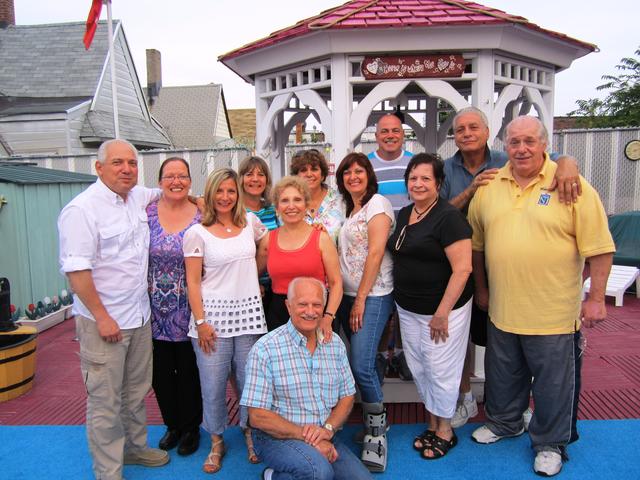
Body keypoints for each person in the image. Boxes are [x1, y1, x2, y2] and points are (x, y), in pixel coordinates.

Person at [468, 116, 615, 477]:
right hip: (503, 308)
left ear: (545, 144)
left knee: (553, 384)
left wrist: (596, 298)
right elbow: (478, 245)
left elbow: (600, 248)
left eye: (529, 141)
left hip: (553, 311)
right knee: (503, 375)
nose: (521, 148)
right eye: (514, 141)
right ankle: (506, 423)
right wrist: (483, 289)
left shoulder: (571, 184)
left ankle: (550, 443)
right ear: (505, 144)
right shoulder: (489, 187)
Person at [440, 107, 583, 429]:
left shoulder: (509, 157)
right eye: (460, 129)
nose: (466, 133)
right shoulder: (446, 169)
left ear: (488, 131)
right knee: (465, 339)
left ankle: (517, 408)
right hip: (457, 264)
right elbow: (436, 212)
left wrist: (568, 163)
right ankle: (468, 398)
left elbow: (552, 156)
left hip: (503, 268)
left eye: (473, 127)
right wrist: (472, 190)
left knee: (516, 345)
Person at [58, 139, 169, 480]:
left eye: (132, 163)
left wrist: (194, 199)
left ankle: (134, 447)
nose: (126, 169)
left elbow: (168, 192)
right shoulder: (82, 211)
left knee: (136, 390)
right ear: (99, 167)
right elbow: (77, 271)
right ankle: (109, 470)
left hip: (139, 315)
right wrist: (103, 317)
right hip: (103, 321)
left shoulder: (136, 196)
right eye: (118, 162)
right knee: (105, 400)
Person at [241, 277, 373, 480]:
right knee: (318, 472)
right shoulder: (265, 349)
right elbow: (257, 416)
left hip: (323, 433)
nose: (310, 311)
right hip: (276, 437)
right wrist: (309, 438)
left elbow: (347, 397)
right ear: (288, 306)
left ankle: (274, 476)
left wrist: (328, 430)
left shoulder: (335, 344)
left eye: (317, 304)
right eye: (303, 304)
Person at [387, 153, 474, 460]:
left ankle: (446, 430)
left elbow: (463, 269)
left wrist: (442, 312)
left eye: (426, 178)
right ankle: (433, 422)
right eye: (413, 178)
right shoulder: (406, 213)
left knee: (440, 369)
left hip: (443, 310)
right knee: (420, 366)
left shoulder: (449, 218)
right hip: (409, 308)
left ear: (438, 183)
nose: (418, 184)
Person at [183, 168, 268, 473]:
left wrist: (253, 277)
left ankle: (250, 432)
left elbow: (267, 246)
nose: (225, 197)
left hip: (249, 318)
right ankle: (217, 440)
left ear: (238, 195)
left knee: (250, 383)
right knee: (213, 385)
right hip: (212, 322)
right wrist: (201, 321)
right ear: (210, 193)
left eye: (231, 191)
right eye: (219, 191)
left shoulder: (251, 224)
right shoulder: (197, 233)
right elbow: (193, 282)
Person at [335, 153, 394, 471]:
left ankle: (377, 430)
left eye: (359, 171)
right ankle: (374, 419)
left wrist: (360, 299)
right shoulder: (349, 208)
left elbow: (375, 251)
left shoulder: (377, 204)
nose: (353, 176)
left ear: (369, 175)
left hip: (372, 296)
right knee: (364, 360)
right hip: (345, 295)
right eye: (347, 171)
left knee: (360, 364)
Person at [147, 157, 203, 456]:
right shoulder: (147, 213)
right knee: (162, 372)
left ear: (190, 181)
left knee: (190, 369)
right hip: (154, 309)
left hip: (190, 307)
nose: (176, 181)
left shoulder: (201, 212)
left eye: (182, 176)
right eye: (170, 176)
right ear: (160, 181)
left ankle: (192, 427)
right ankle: (173, 425)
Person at [257, 176, 342, 337]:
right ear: (277, 207)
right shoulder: (269, 240)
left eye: (297, 200)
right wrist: (257, 285)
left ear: (307, 205)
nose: (291, 206)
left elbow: (336, 283)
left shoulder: (321, 238)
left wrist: (328, 317)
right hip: (278, 317)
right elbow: (252, 274)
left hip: (315, 313)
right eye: (284, 201)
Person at [290, 149, 345, 242]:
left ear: (323, 174)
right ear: (296, 176)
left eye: (314, 169)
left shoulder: (341, 201)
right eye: (303, 170)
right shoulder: (290, 204)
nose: (309, 174)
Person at [367, 113, 414, 211]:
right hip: (376, 226)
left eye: (395, 131)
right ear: (376, 136)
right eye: (384, 131)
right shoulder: (365, 164)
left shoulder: (415, 162)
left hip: (410, 225)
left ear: (403, 134)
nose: (390, 135)